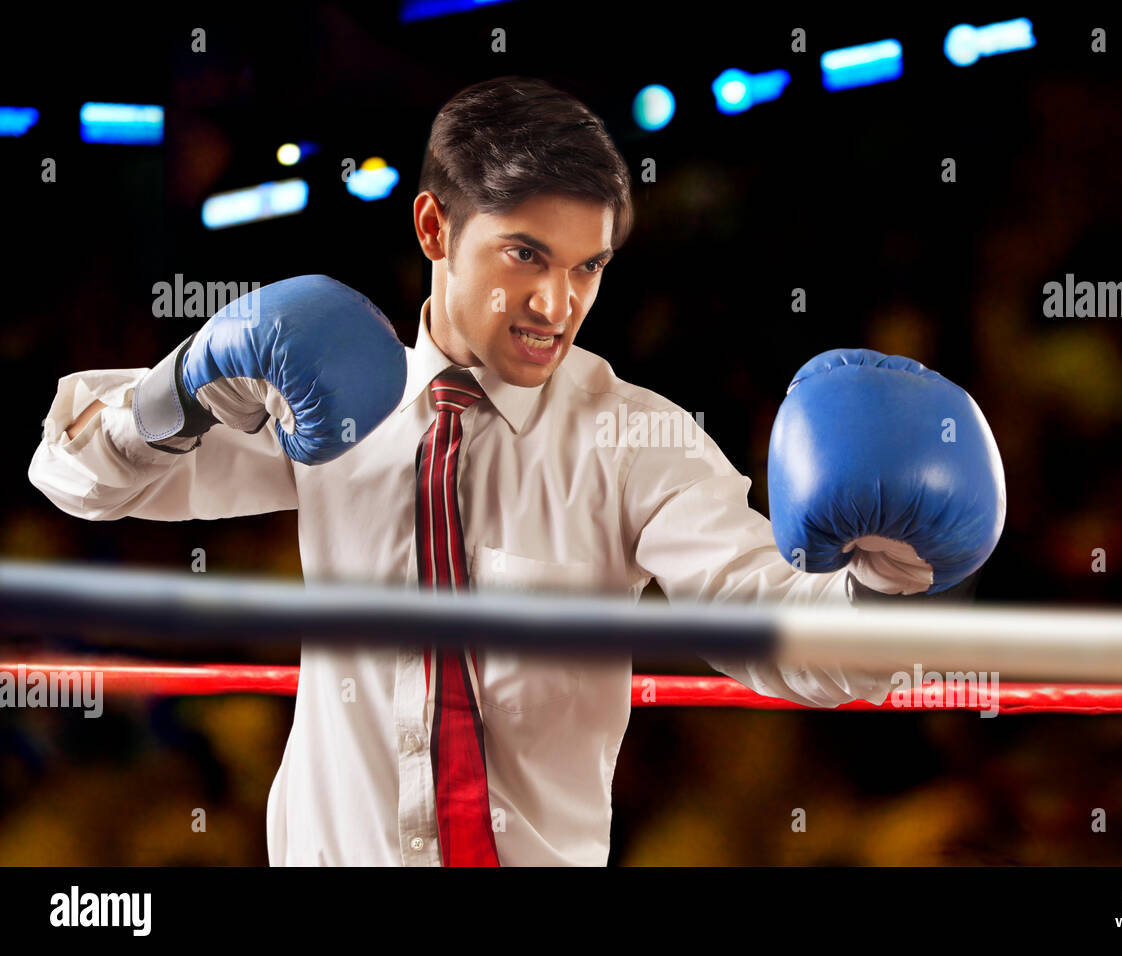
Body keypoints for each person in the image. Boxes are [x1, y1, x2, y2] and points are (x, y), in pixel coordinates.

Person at [28, 76, 1004, 866]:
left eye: (587, 266)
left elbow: (783, 640)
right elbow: (75, 478)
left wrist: (881, 584)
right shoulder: (327, 395)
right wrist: (177, 388)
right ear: (433, 229)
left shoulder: (638, 440)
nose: (555, 302)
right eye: (525, 254)